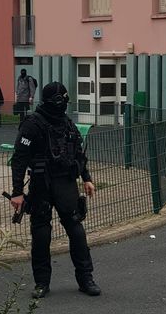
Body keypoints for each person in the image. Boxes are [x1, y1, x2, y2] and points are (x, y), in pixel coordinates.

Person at [9, 82, 101, 299]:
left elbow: (77, 153)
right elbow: (19, 159)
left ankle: (86, 279)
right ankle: (42, 282)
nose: (64, 105)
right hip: (41, 183)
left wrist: (86, 178)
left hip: (65, 183)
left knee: (76, 230)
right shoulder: (32, 124)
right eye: (61, 101)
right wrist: (17, 192)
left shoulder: (66, 123)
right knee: (41, 234)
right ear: (54, 101)